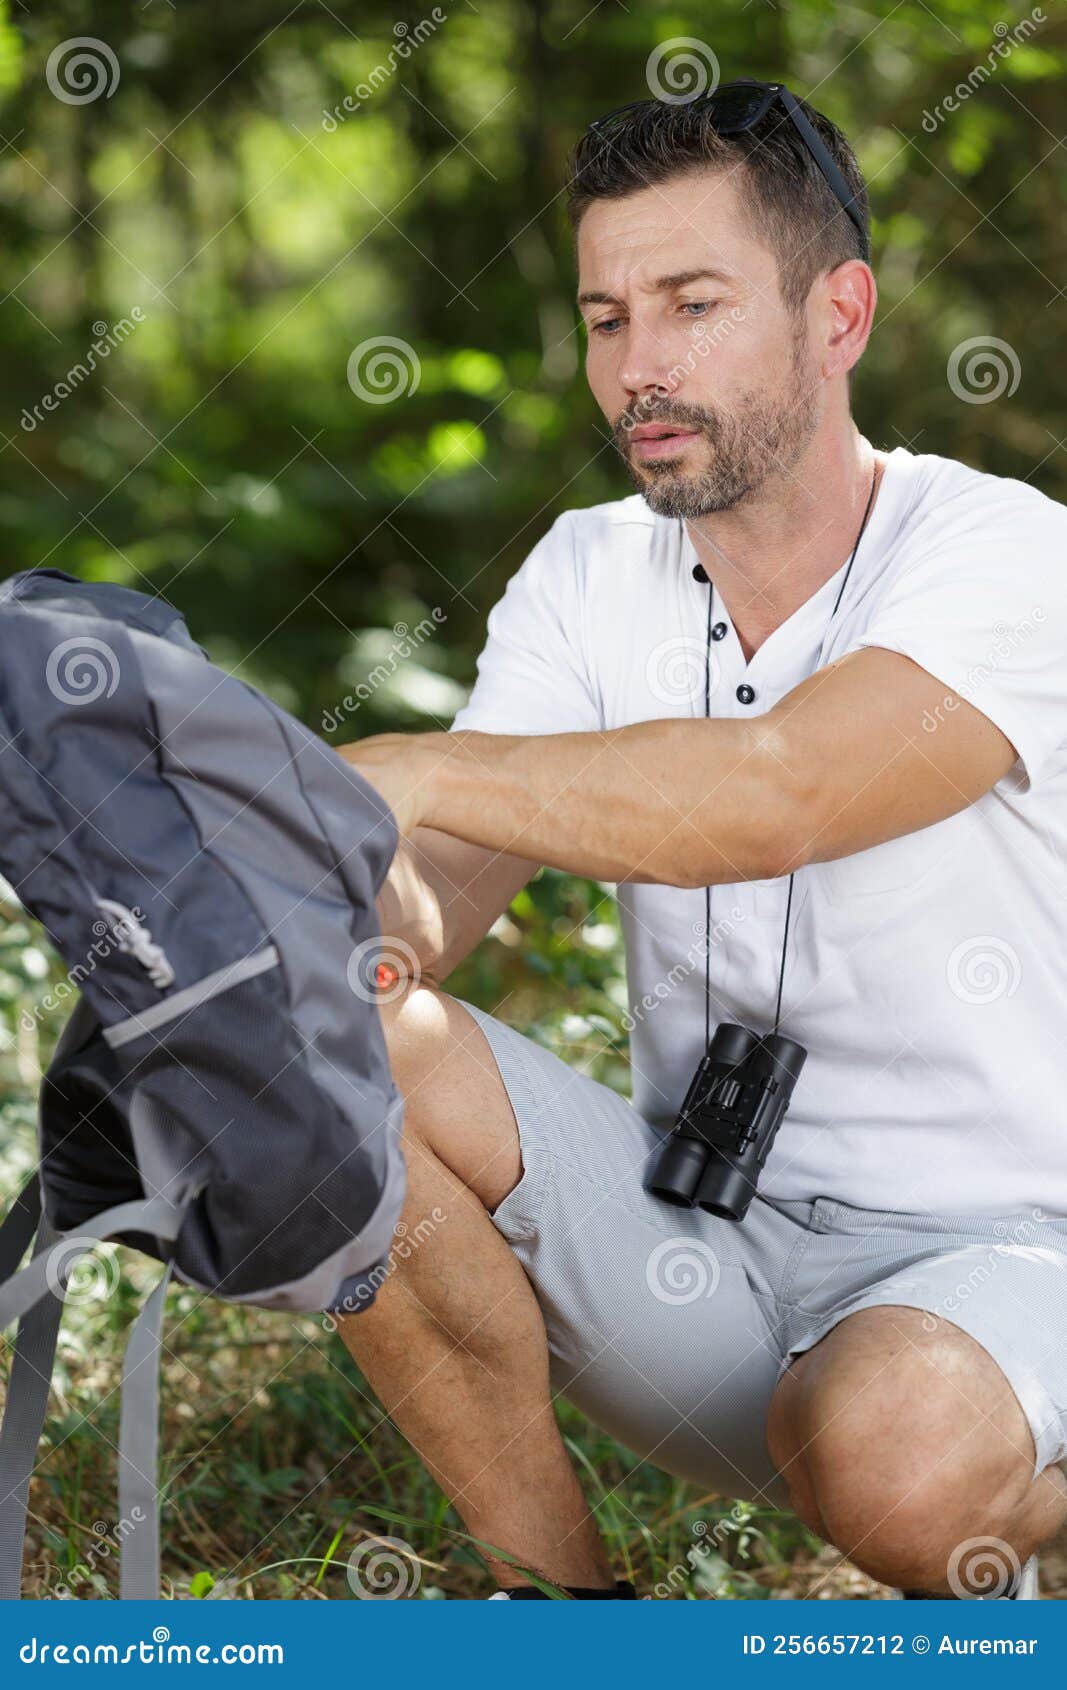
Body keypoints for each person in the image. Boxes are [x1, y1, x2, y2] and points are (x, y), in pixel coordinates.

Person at [338, 81, 1067, 1601]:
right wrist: (262, 928)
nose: (640, 368)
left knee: (893, 1451)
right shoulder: (588, 569)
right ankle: (571, 1613)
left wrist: (416, 760)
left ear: (838, 315)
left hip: (1003, 1267)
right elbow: (435, 899)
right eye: (609, 317)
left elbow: (773, 792)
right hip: (701, 1243)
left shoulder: (1007, 554)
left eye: (692, 304)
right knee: (339, 1034)